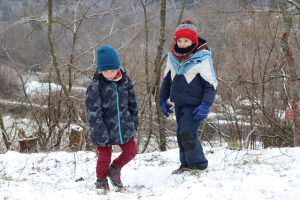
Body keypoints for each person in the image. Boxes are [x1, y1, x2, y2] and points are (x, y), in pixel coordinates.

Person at [159, 19, 218, 174]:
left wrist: (205, 105)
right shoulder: (172, 58)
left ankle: (198, 164)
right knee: (180, 135)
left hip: (195, 105)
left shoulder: (202, 58)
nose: (183, 44)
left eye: (186, 40)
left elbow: (211, 85)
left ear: (193, 40)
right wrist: (162, 99)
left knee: (186, 133)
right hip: (179, 103)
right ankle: (185, 164)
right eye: (180, 40)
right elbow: (166, 80)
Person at [86, 45, 139, 190]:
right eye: (105, 71)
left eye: (112, 70)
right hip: (102, 128)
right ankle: (101, 181)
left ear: (118, 67)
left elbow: (132, 102)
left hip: (123, 125)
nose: (109, 74)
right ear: (100, 70)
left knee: (131, 151)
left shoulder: (125, 81)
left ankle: (115, 168)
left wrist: (134, 119)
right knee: (104, 158)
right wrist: (99, 132)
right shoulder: (95, 86)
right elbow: (93, 112)